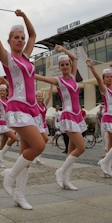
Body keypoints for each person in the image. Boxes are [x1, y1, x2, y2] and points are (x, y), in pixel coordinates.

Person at [0, 2, 44, 210]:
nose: (21, 40)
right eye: (16, 38)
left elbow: (33, 35)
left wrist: (25, 16)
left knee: (26, 154)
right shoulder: (8, 59)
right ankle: (9, 175)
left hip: (32, 110)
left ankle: (19, 195)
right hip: (18, 108)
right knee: (38, 146)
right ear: (10, 41)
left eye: (21, 38)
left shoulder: (27, 57)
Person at [36, 47, 86, 190]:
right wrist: (29, 72)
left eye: (67, 64)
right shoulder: (59, 80)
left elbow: (75, 58)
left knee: (71, 151)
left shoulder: (73, 77)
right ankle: (61, 171)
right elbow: (42, 78)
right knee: (81, 147)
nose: (65, 67)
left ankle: (66, 180)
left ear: (70, 66)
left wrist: (63, 49)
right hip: (68, 116)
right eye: (62, 65)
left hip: (77, 116)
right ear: (59, 68)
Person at [88, 61, 112, 178]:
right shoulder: (104, 89)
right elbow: (98, 78)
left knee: (110, 146)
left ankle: (107, 170)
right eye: (107, 77)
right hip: (109, 118)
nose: (110, 79)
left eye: (111, 77)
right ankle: (104, 162)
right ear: (104, 79)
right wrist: (91, 67)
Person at [34, 86, 54, 165]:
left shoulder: (44, 105)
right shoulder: (34, 105)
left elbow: (49, 95)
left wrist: (51, 86)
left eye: (41, 96)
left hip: (43, 125)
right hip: (37, 125)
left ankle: (38, 156)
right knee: (44, 139)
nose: (41, 97)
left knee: (43, 141)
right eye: (39, 96)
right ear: (35, 97)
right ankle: (36, 156)